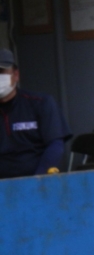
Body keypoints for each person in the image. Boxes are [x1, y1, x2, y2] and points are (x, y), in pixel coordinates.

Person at [0, 49, 71, 179]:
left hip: (37, 181)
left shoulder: (40, 103)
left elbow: (55, 144)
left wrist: (38, 180)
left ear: (16, 75)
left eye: (1, 71)